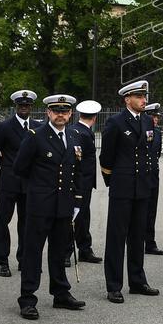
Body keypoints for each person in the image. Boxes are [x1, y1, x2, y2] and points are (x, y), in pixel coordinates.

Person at [13, 94, 85, 320]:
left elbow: (77, 170)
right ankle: (28, 299)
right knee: (33, 252)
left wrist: (77, 200)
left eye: (65, 110)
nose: (61, 114)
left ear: (70, 113)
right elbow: (20, 168)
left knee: (59, 251)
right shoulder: (35, 136)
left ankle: (61, 293)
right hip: (40, 205)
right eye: (56, 110)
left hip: (63, 204)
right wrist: (38, 189)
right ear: (48, 113)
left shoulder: (74, 136)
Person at [100, 81, 160, 302]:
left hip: (142, 187)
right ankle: (114, 285)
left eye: (145, 96)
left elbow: (149, 153)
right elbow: (106, 158)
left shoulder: (147, 121)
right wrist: (114, 181)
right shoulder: (115, 122)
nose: (144, 100)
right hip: (122, 187)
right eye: (139, 96)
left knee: (138, 237)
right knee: (116, 237)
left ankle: (138, 281)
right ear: (127, 99)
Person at [0, 90, 39, 277]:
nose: (24, 108)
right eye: (21, 105)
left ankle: (24, 259)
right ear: (16, 107)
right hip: (9, 181)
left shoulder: (37, 126)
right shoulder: (4, 127)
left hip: (29, 182)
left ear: (31, 107)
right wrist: (9, 166)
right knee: (3, 221)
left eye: (27, 105)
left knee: (27, 222)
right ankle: (2, 261)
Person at [67, 100, 102, 264]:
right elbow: (78, 160)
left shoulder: (75, 129)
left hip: (80, 182)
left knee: (81, 216)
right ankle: (68, 252)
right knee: (75, 216)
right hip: (80, 182)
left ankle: (84, 248)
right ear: (94, 118)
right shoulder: (82, 133)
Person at [141, 101, 163, 256]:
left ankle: (150, 242)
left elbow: (155, 155)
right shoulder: (141, 129)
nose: (156, 119)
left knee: (151, 211)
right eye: (153, 116)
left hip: (153, 176)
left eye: (157, 117)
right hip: (141, 175)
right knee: (139, 212)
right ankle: (134, 241)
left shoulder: (157, 132)